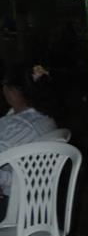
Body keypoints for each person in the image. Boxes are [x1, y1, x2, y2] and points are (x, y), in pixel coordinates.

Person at [0, 63, 57, 208]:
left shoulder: (20, 126)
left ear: (13, 90)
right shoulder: (44, 117)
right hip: (37, 200)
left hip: (15, 205)